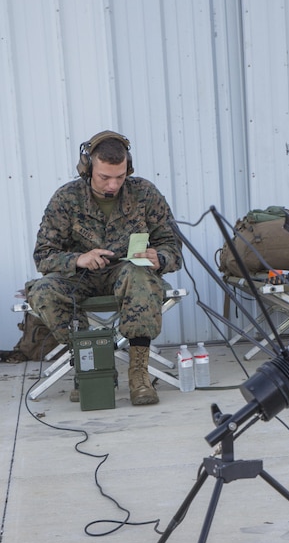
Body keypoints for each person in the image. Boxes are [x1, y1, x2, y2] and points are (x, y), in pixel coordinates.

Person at [28, 130, 182, 404]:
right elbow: (43, 255)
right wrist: (78, 259)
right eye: (104, 177)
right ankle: (89, 365)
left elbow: (172, 245)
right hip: (80, 277)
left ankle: (139, 374)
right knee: (42, 291)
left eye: (120, 177)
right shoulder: (66, 198)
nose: (112, 185)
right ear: (87, 169)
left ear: (128, 169)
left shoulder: (144, 194)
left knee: (140, 276)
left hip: (126, 274)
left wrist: (160, 257)